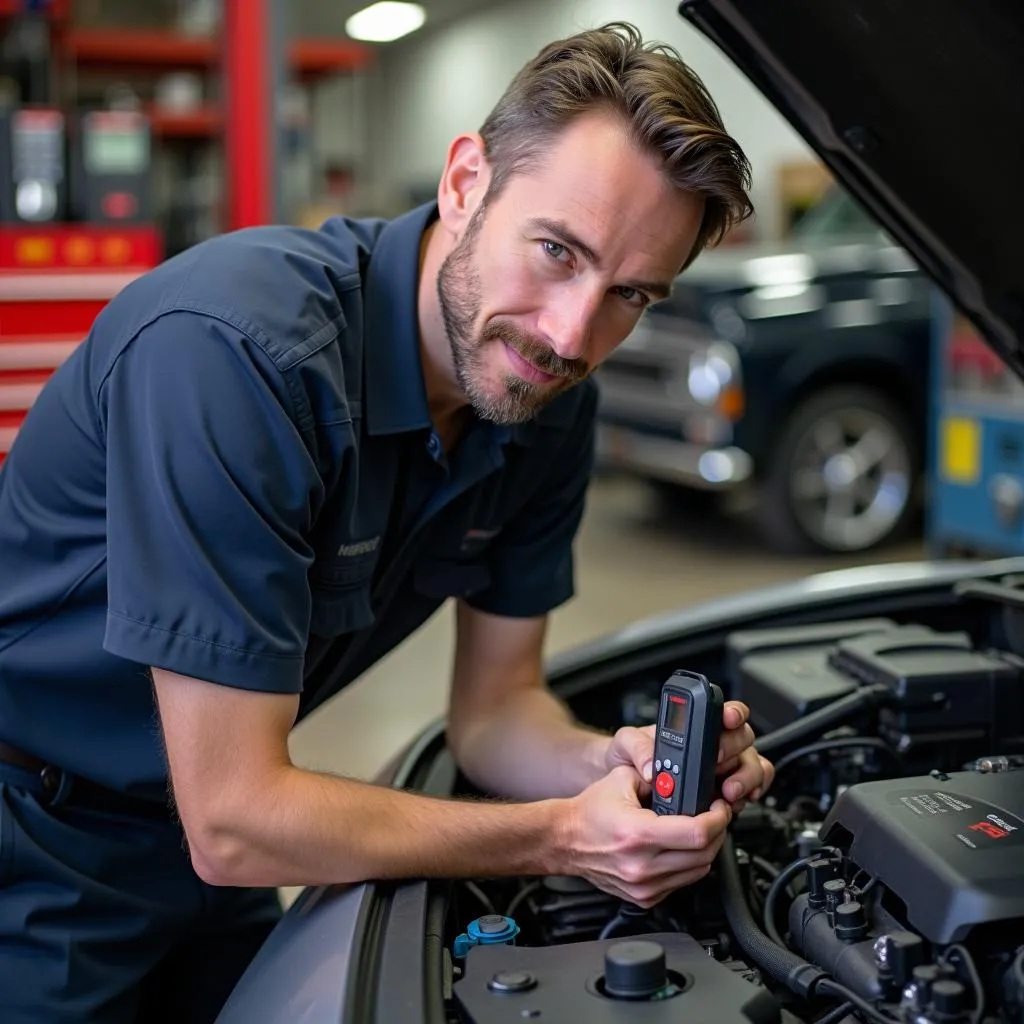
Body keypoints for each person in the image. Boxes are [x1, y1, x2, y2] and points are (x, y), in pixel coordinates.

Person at [0, 21, 773, 1023]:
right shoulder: (237, 356)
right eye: (555, 251)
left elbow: (496, 712)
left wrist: (613, 771)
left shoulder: (543, 404)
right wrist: (557, 837)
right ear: (464, 183)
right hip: (30, 841)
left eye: (628, 293)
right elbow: (235, 818)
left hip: (190, 842)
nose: (571, 332)